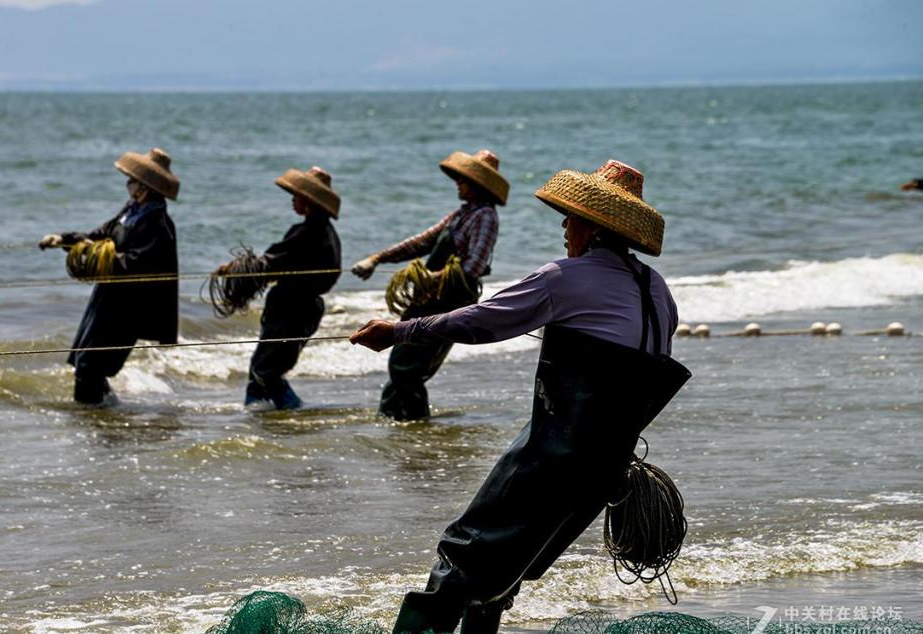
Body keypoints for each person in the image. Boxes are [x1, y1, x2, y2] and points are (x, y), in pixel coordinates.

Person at [350, 160, 691, 634]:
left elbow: (481, 321)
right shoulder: (658, 289)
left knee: (463, 554)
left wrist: (400, 331)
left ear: (592, 228)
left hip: (552, 457)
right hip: (606, 469)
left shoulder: (565, 277)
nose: (564, 228)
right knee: (505, 574)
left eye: (569, 219)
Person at [351, 150, 508, 420]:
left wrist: (426, 278)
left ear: (478, 184)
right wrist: (377, 258)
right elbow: (422, 242)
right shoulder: (460, 215)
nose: (458, 182)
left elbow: (473, 268)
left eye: (464, 179)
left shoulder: (486, 217)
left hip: (449, 301)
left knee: (409, 367)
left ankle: (413, 428)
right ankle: (400, 423)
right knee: (402, 362)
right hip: (429, 298)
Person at [39, 148, 179, 405]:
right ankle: (105, 417)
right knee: (84, 361)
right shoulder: (131, 210)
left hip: (129, 307)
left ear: (145, 187)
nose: (128, 183)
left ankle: (99, 423)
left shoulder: (158, 223)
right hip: (107, 298)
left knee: (91, 366)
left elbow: (139, 263)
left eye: (132, 180)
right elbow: (101, 235)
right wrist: (63, 240)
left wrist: (101, 256)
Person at [221, 166, 342, 410]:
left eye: (296, 196)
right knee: (263, 366)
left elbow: (271, 262)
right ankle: (257, 412)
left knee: (266, 369)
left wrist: (234, 269)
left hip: (293, 307)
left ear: (308, 201)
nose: (292, 200)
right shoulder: (325, 233)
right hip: (301, 306)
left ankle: (293, 410)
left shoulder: (308, 232)